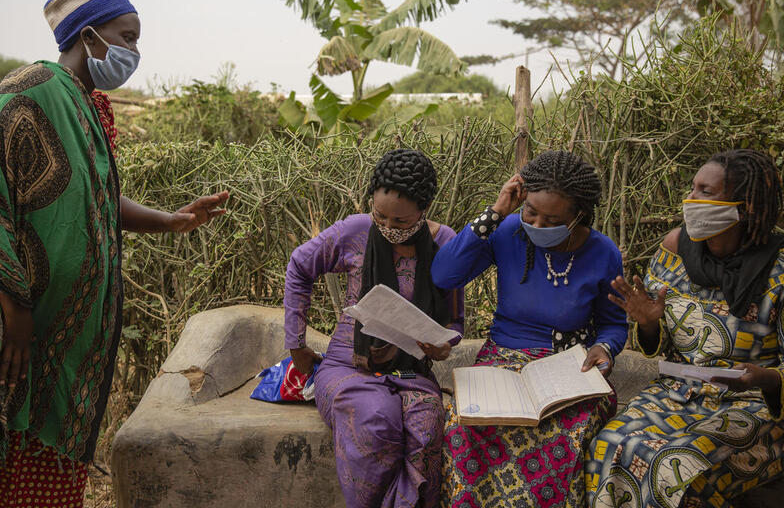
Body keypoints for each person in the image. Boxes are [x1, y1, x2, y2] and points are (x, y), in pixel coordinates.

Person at [0, 0, 229, 508]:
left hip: (71, 338)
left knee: (54, 470)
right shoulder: (26, 93)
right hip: (28, 328)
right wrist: (17, 312)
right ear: (89, 35)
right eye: (128, 36)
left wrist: (171, 220)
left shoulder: (88, 106)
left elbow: (96, 199)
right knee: (19, 447)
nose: (134, 51)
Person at [586, 149, 784, 508]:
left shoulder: (779, 269)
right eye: (692, 188)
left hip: (754, 406)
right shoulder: (675, 248)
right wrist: (648, 322)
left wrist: (763, 378)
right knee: (612, 441)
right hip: (678, 391)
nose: (691, 200)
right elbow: (656, 346)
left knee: (673, 464)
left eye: (706, 192)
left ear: (746, 207)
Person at [431, 149, 628, 508]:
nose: (536, 226)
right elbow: (444, 275)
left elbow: (614, 324)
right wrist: (496, 213)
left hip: (570, 368)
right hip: (501, 358)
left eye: (551, 220)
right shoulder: (507, 231)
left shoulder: (604, 253)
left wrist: (606, 349)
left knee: (568, 435)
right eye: (530, 213)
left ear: (578, 216)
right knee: (463, 427)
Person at [284, 148, 465, 508]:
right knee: (376, 419)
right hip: (348, 366)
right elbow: (299, 266)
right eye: (379, 215)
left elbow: (455, 321)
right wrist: (296, 343)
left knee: (426, 428)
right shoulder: (355, 230)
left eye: (400, 222)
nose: (387, 227)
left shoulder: (445, 242)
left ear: (424, 209)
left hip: (413, 370)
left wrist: (444, 345)